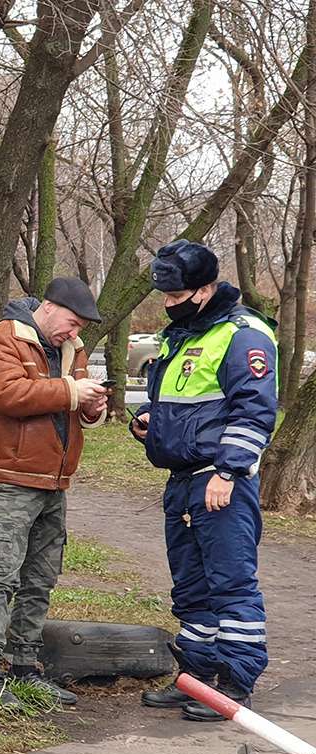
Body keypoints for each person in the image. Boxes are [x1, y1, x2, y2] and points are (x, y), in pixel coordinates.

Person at [130, 240, 278, 722]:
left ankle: (235, 684)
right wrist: (149, 421)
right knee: (190, 588)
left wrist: (229, 471)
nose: (170, 304)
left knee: (230, 584)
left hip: (220, 482)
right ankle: (198, 681)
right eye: (166, 296)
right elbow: (181, 403)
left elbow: (253, 411)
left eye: (178, 295)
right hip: (182, 481)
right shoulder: (183, 334)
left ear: (207, 288)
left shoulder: (243, 334)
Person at [0, 276, 110, 708]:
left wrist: (91, 409)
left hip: (55, 480)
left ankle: (26, 667)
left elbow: (72, 409)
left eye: (80, 328)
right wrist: (72, 391)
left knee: (41, 579)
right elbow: (7, 394)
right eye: (71, 322)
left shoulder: (73, 349)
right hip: (12, 477)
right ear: (49, 307)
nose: (74, 333)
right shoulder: (4, 339)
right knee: (2, 575)